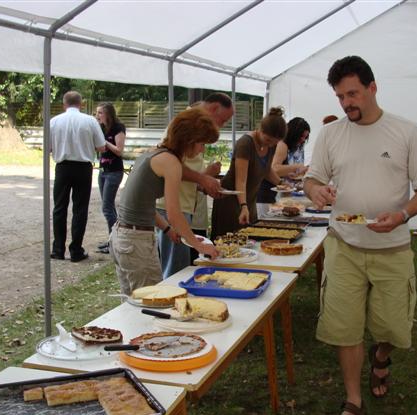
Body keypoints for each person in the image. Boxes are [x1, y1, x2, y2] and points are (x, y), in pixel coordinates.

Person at [303, 56, 417, 415]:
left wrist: (402, 214)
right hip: (344, 244)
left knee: (393, 328)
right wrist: (316, 191)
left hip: (391, 245)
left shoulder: (407, 132)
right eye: (340, 96)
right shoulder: (331, 134)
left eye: (353, 94)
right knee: (344, 327)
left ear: (372, 88)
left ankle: (381, 357)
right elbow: (312, 179)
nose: (346, 103)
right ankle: (353, 401)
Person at [109, 108, 220, 295]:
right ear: (189, 140)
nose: (203, 149)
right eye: (201, 143)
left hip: (123, 236)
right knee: (152, 299)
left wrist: (168, 229)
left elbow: (144, 205)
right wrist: (198, 245)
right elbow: (174, 213)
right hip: (136, 241)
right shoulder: (171, 163)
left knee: (133, 302)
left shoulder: (156, 154)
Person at [156, 93, 233, 278]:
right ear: (214, 108)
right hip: (173, 208)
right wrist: (203, 178)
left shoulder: (193, 126)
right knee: (175, 272)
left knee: (181, 268)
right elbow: (172, 167)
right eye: (223, 120)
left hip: (182, 207)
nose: (222, 125)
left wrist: (203, 185)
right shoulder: (184, 125)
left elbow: (182, 172)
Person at [211, 107, 286, 240]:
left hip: (249, 199)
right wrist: (243, 206)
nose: (270, 145)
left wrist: (282, 184)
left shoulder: (271, 145)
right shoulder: (245, 144)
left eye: (274, 142)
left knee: (250, 239)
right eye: (268, 140)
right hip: (231, 200)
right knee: (229, 241)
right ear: (260, 130)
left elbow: (266, 169)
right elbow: (240, 180)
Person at [50, 91, 106, 262]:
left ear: (64, 104)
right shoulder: (90, 121)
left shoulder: (54, 121)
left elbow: (48, 147)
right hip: (83, 167)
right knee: (80, 209)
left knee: (59, 207)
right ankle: (76, 250)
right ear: (81, 104)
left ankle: (58, 249)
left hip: (62, 166)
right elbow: (101, 146)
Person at [257, 116, 311, 206]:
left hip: (275, 194)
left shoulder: (295, 147)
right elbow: (275, 169)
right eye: (301, 136)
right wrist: (297, 167)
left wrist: (290, 174)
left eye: (305, 137)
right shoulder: (282, 145)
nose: (303, 140)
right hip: (267, 195)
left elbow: (281, 170)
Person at [95, 102, 126, 254]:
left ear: (108, 114)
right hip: (103, 170)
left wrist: (105, 141)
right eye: (97, 113)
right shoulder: (100, 128)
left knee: (107, 208)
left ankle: (114, 242)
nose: (97, 116)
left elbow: (119, 150)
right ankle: (112, 239)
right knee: (108, 207)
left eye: (100, 113)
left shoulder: (118, 128)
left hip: (114, 172)